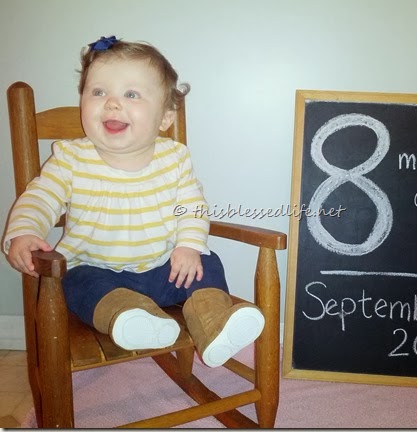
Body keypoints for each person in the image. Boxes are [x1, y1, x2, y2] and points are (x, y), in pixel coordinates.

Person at [3, 36, 264, 368]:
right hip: (98, 272)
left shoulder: (174, 158)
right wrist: (24, 231)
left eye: (131, 94)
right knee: (75, 281)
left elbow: (192, 207)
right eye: (98, 92)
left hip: (166, 268)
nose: (112, 103)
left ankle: (214, 325)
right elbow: (40, 198)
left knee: (207, 263)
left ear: (165, 118)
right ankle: (133, 319)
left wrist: (188, 245)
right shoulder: (70, 159)